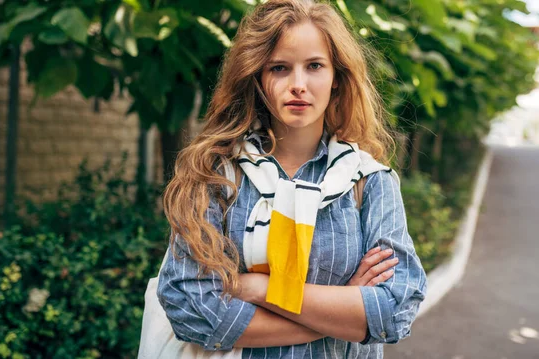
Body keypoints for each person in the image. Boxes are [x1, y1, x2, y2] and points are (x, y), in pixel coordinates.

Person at [158, 0, 427, 357]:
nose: (298, 85)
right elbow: (190, 308)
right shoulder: (217, 175)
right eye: (280, 68)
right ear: (257, 78)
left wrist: (258, 289)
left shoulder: (369, 180)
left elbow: (395, 310)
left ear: (337, 79)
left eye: (314, 66)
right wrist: (342, 311)